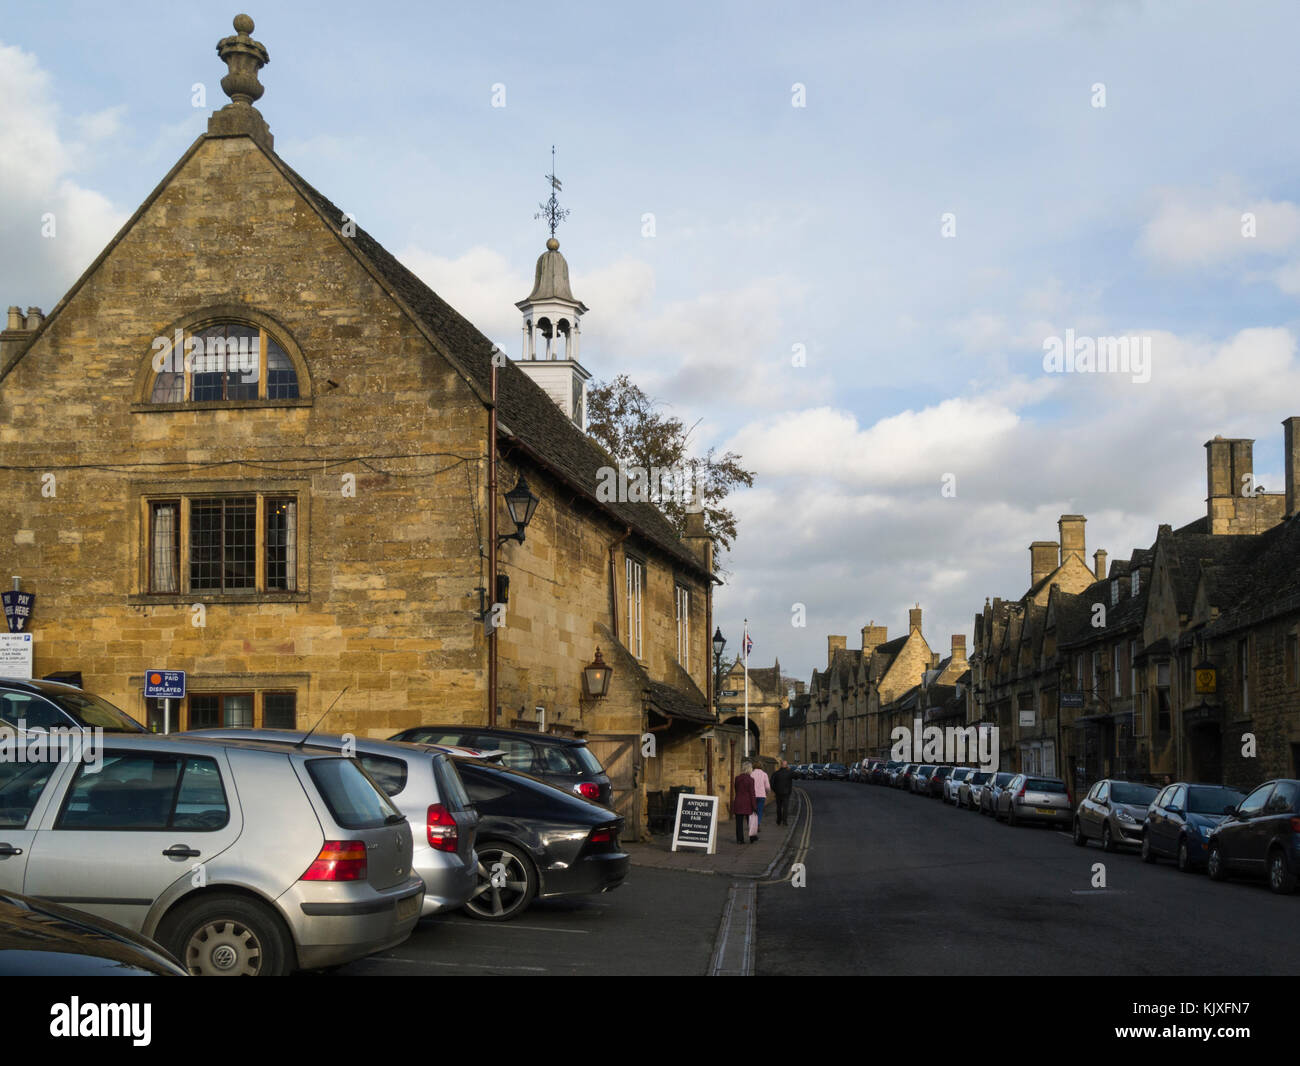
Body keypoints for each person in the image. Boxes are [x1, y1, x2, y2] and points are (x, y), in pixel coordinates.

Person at [732, 761, 756, 844]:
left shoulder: (737, 778)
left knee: (739, 823)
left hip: (738, 801)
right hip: (747, 803)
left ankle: (740, 840)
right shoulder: (751, 780)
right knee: (751, 822)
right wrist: (754, 806)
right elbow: (752, 793)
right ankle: (752, 838)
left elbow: (736, 790)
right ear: (749, 769)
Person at [771, 759, 794, 825]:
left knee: (779, 807)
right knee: (785, 807)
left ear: (781, 765)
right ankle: (784, 821)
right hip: (786, 793)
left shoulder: (775, 773)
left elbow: (772, 783)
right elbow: (797, 776)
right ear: (786, 766)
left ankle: (778, 820)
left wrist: (775, 791)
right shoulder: (789, 773)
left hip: (778, 793)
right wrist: (790, 770)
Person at [751, 761, 771, 832]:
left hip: (753, 795)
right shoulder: (764, 774)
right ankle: (758, 824)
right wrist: (767, 792)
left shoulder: (751, 774)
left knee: (753, 811)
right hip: (762, 795)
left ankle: (753, 825)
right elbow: (767, 787)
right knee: (760, 811)